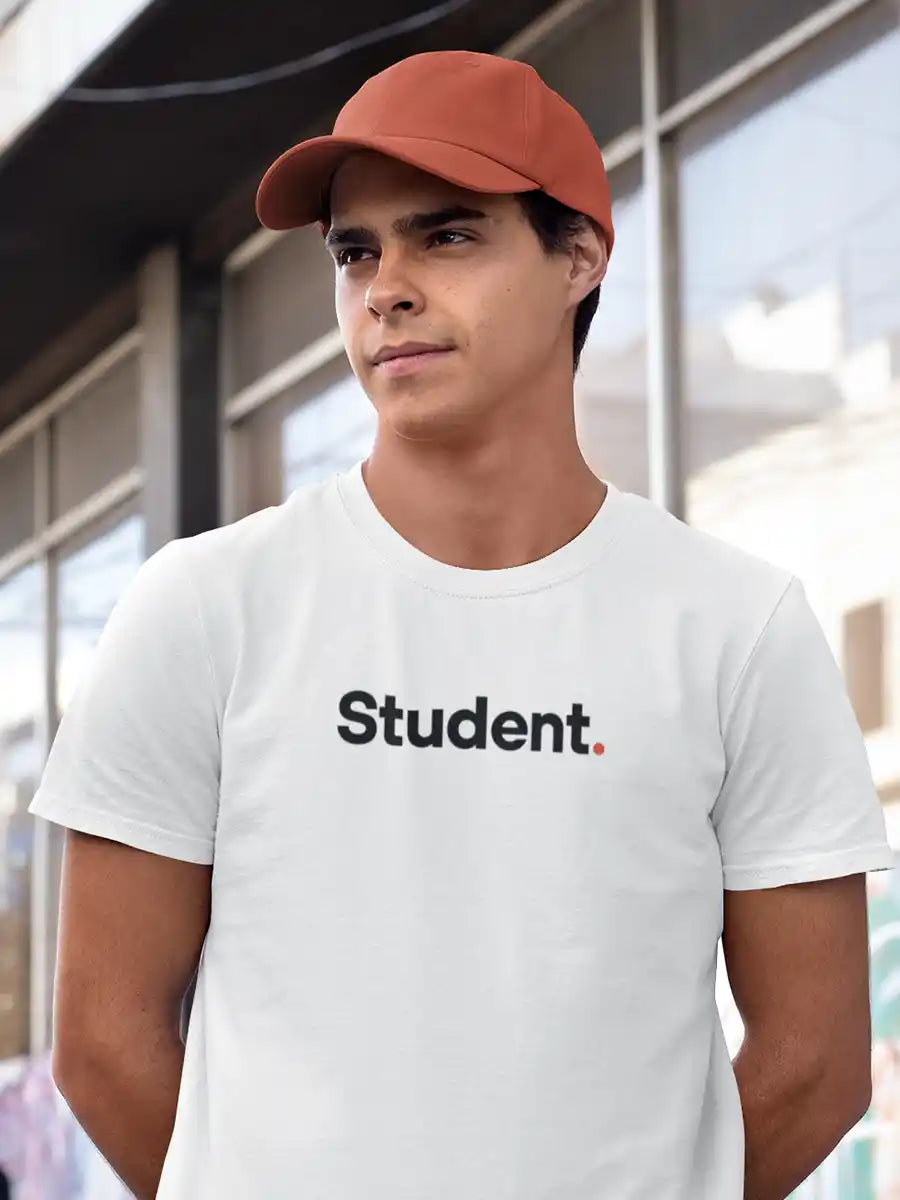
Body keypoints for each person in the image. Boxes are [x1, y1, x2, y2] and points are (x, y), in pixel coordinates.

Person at [28, 48, 895, 1200]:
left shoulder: (735, 627)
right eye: (355, 251)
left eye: (447, 235)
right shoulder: (204, 609)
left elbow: (817, 1063)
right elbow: (103, 1041)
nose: (384, 287)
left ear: (579, 254)